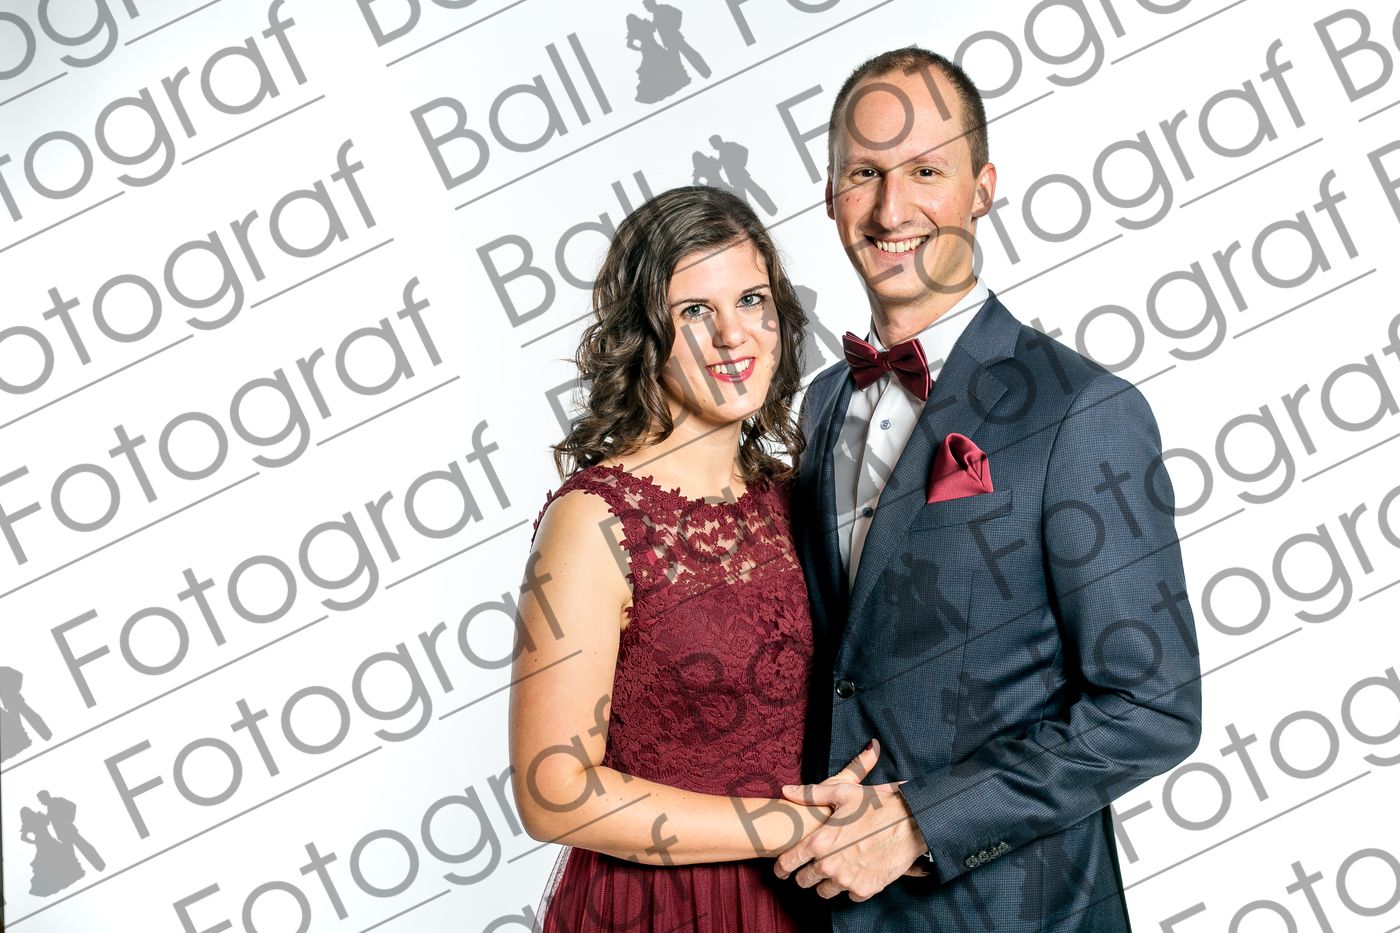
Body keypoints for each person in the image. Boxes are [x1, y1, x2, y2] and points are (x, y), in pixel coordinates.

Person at [774, 47, 1203, 931]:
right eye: (865, 173)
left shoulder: (1084, 411)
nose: (891, 209)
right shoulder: (821, 402)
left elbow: (1151, 706)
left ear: (983, 188)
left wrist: (919, 822)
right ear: (830, 195)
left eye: (926, 171)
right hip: (828, 908)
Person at [509, 185, 891, 932]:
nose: (732, 335)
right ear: (643, 335)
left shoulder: (800, 494)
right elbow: (553, 791)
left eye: (751, 300)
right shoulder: (593, 520)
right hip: (661, 908)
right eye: (693, 311)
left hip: (816, 898)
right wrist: (792, 824)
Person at [625, 12, 689, 104]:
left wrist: (639, 49)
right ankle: (670, 84)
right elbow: (653, 28)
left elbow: (629, 45)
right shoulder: (644, 24)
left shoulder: (635, 29)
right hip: (652, 47)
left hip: (649, 49)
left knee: (654, 69)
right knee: (661, 66)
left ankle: (662, 88)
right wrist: (639, 49)